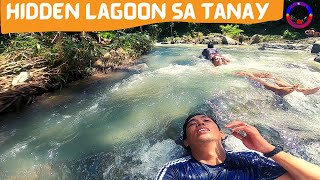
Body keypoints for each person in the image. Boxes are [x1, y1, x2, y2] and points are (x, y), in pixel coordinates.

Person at [156, 113, 320, 179]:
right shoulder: (175, 171)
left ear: (222, 134)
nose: (200, 123)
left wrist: (268, 149)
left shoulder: (250, 160)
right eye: (193, 124)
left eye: (206, 120)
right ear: (186, 142)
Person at [235, 71, 320, 96]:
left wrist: (222, 58)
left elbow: (228, 60)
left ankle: (300, 90)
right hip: (234, 71)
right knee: (249, 75)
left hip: (238, 67)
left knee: (269, 75)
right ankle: (277, 90)